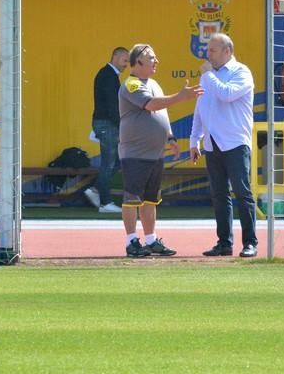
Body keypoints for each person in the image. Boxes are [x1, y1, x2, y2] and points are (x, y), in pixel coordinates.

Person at [119, 43, 204, 258]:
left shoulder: (154, 83)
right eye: (152, 57)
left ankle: (151, 240)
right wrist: (180, 96)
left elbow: (162, 113)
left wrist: (170, 137)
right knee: (132, 199)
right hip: (135, 154)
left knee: (151, 199)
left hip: (155, 154)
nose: (156, 61)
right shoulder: (131, 84)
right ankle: (131, 242)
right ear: (138, 62)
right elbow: (151, 105)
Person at [189, 33, 259, 258]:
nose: (207, 54)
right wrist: (194, 139)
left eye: (213, 50)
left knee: (242, 192)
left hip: (235, 141)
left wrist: (208, 75)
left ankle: (250, 243)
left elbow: (227, 95)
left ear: (227, 51)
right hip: (212, 143)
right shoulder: (209, 77)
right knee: (219, 195)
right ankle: (224, 243)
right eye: (208, 50)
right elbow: (201, 107)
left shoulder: (241, 72)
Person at [84, 47, 129, 213]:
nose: (127, 65)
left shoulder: (108, 74)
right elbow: (112, 106)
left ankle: (95, 190)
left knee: (115, 161)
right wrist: (121, 125)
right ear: (116, 57)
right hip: (106, 124)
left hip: (105, 124)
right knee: (109, 163)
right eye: (125, 60)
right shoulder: (108, 75)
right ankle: (105, 203)